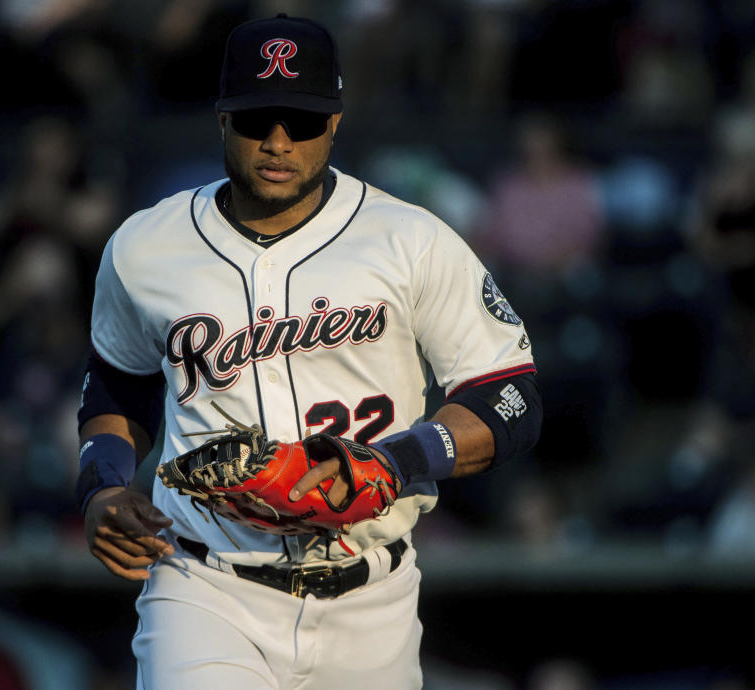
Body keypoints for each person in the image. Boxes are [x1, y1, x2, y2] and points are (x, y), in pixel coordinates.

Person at [77, 14, 541, 689]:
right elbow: (119, 384)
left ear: (334, 121)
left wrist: (396, 461)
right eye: (255, 118)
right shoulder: (145, 247)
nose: (276, 142)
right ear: (221, 117)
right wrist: (103, 484)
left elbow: (510, 396)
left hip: (372, 599)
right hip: (206, 590)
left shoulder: (409, 240)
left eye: (299, 121)